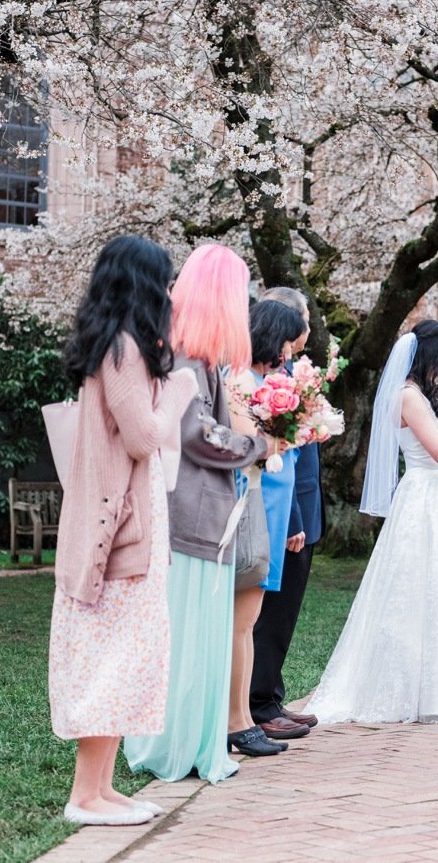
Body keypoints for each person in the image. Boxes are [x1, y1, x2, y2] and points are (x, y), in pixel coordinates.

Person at [49, 236, 199, 825]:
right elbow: (142, 437)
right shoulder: (121, 348)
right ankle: (85, 797)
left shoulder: (123, 345)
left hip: (130, 520)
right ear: (142, 284)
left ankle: (102, 788)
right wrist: (182, 390)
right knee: (111, 657)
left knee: (126, 653)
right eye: (163, 281)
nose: (170, 293)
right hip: (119, 529)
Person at [305, 320, 438, 724]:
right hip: (421, 496)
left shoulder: (426, 396)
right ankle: (402, 689)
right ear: (434, 354)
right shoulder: (407, 397)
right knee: (414, 587)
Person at [122, 243, 270, 785]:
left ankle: (188, 740)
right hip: (189, 515)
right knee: (184, 638)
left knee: (195, 636)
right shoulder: (187, 354)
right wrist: (255, 446)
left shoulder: (193, 353)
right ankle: (174, 744)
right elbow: (195, 432)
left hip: (200, 514)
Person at [225, 299, 308, 755]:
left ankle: (241, 717)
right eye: (286, 341)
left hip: (274, 505)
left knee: (249, 620)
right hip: (255, 503)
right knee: (242, 621)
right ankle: (238, 720)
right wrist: (290, 429)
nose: (288, 351)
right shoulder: (241, 378)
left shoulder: (266, 379)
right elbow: (249, 443)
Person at [250, 286, 325, 741]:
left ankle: (271, 694)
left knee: (286, 610)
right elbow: (281, 458)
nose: (307, 330)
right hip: (285, 509)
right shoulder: (267, 381)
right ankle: (259, 702)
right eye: (302, 322)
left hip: (305, 503)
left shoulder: (297, 373)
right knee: (269, 613)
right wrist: (295, 517)